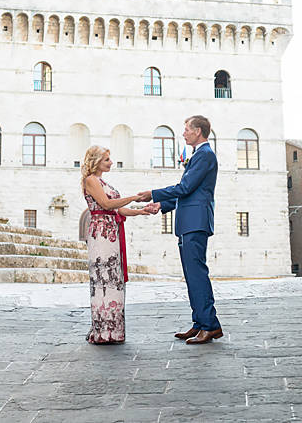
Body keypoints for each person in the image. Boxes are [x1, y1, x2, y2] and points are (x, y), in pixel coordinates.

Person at [135, 115, 222, 344]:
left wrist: (153, 193)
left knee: (197, 274)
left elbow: (184, 187)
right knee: (191, 275)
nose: (183, 133)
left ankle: (210, 325)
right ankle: (200, 322)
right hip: (189, 221)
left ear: (198, 131)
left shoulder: (205, 155)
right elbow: (189, 193)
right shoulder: (199, 156)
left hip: (195, 222)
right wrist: (161, 205)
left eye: (186, 129)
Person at [81, 145, 159, 344]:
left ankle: (113, 331)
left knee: (113, 278)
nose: (111, 162)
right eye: (107, 159)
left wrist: (141, 211)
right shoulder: (90, 180)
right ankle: (102, 331)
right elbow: (106, 205)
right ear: (96, 161)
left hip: (111, 230)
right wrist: (134, 197)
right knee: (103, 279)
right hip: (101, 234)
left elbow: (119, 211)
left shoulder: (102, 181)